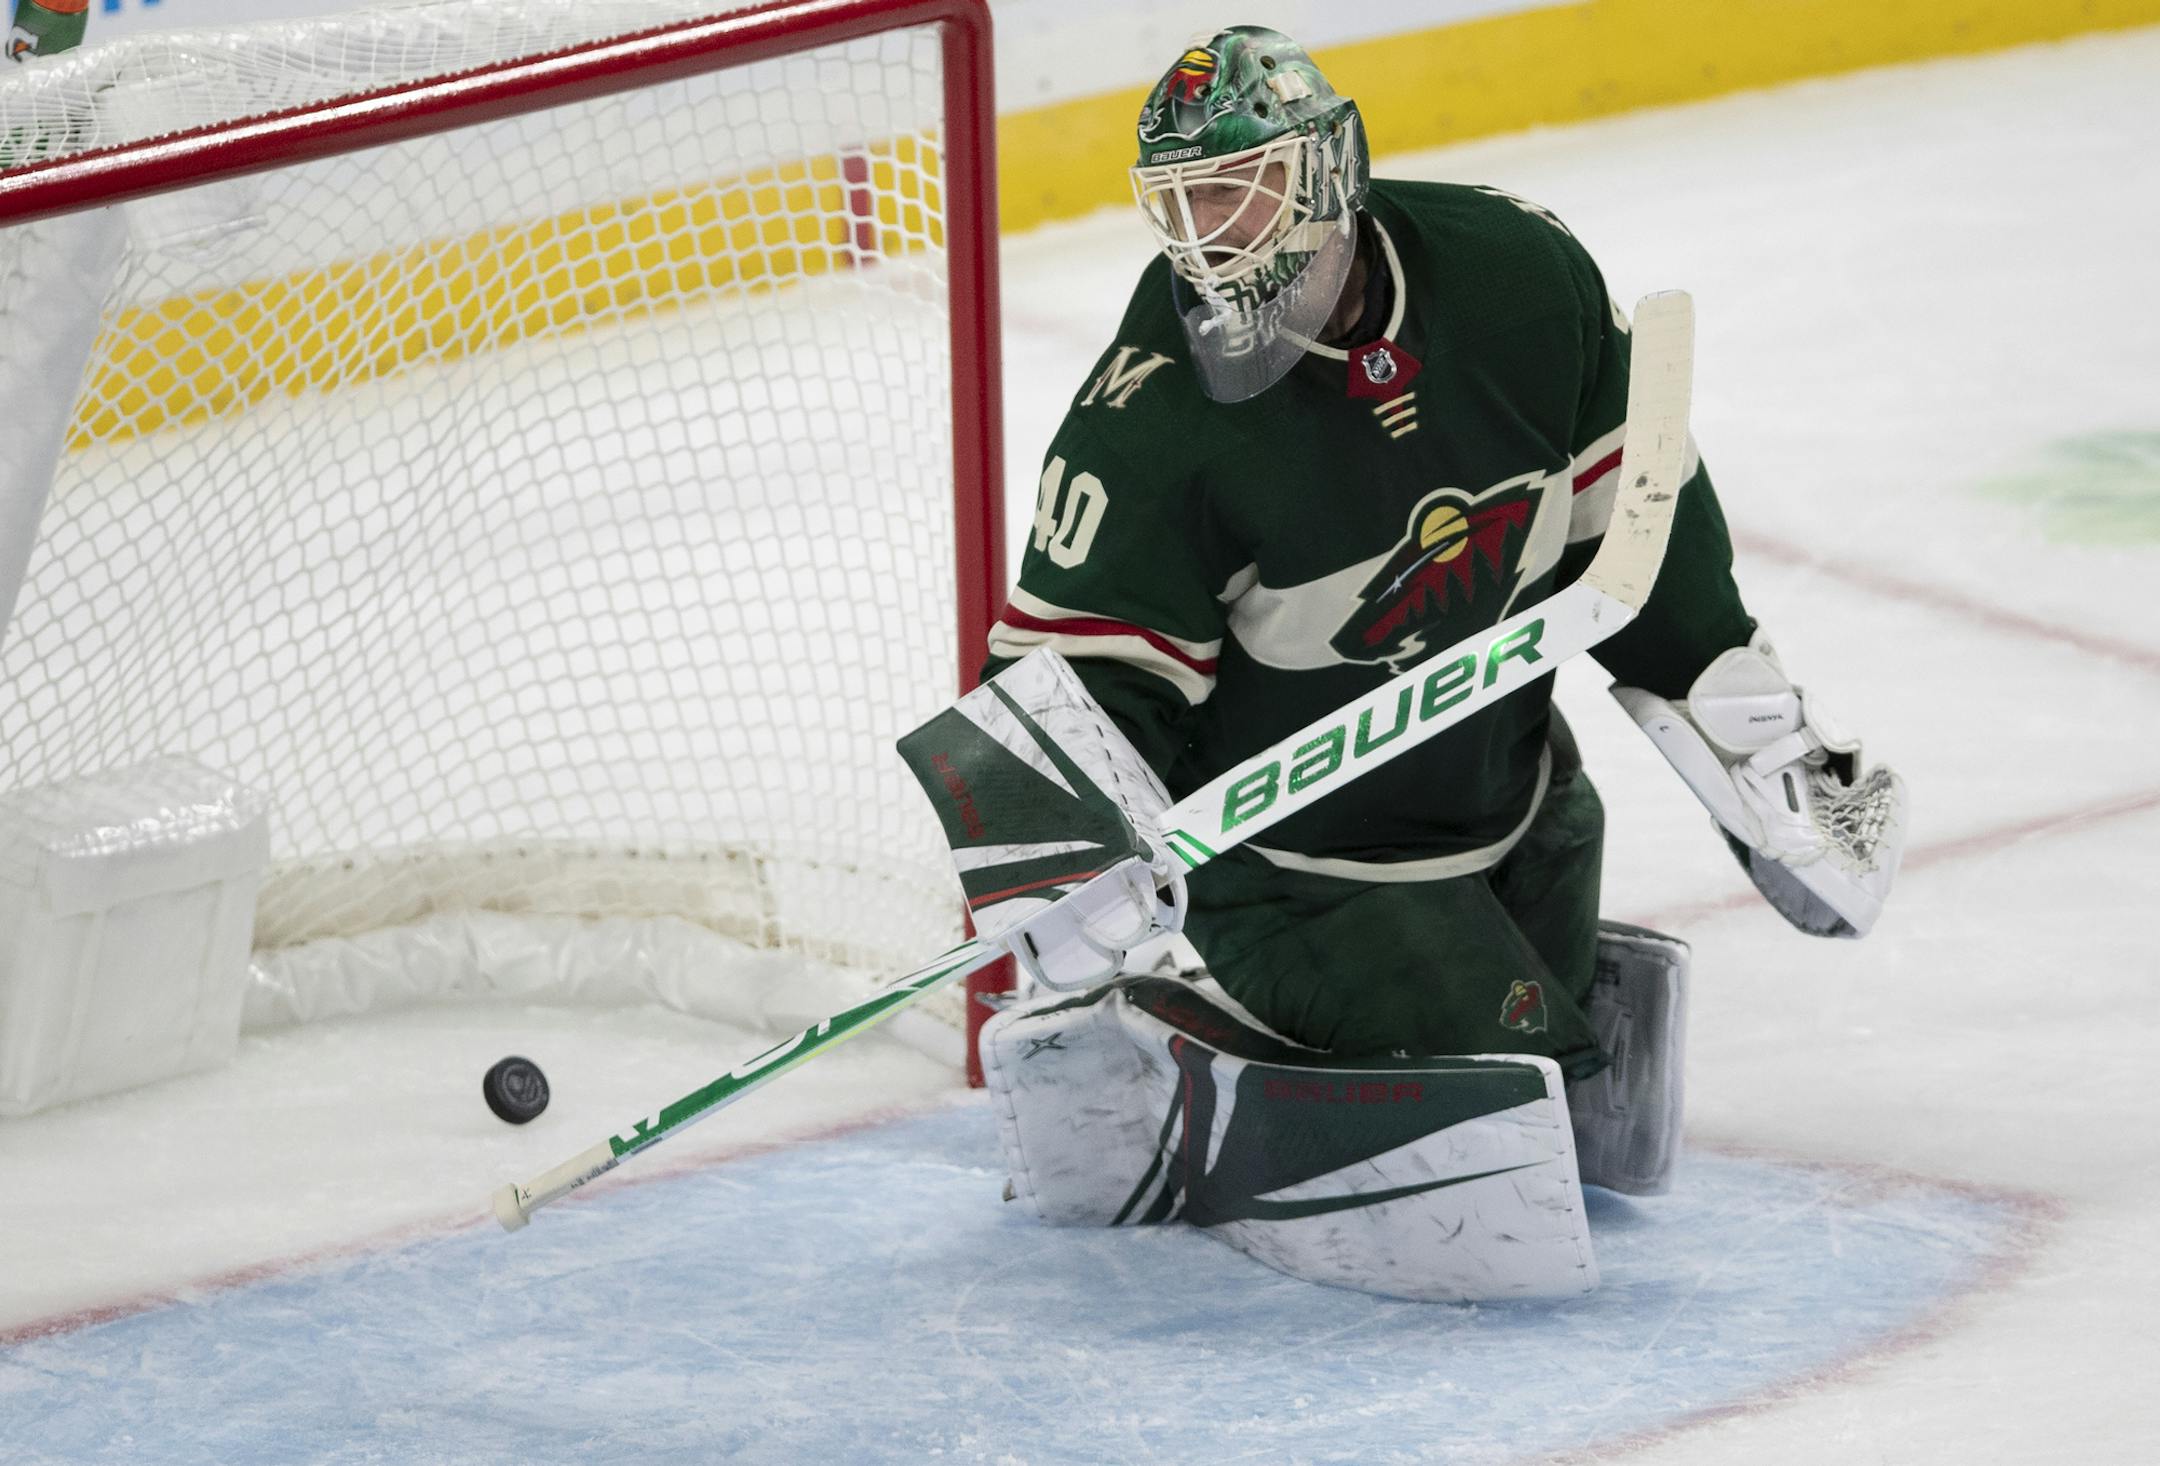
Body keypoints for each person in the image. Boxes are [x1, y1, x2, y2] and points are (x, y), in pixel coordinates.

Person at [904, 26, 1906, 1301]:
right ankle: (1181, 1064)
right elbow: (1069, 685)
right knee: (1507, 1134)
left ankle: (1398, 984)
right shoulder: (1150, 422)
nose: (1210, 237)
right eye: (1184, 202)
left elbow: (1628, 528)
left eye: (1241, 188)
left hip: (1517, 801)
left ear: (1331, 168)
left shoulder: (1515, 275)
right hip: (1298, 875)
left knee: (1586, 1116)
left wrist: (1747, 726)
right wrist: (1073, 858)